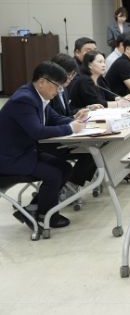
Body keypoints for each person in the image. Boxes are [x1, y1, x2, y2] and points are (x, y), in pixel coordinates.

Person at [0, 61, 87, 228]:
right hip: (10, 158)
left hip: (24, 152)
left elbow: (55, 118)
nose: (59, 91)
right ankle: (45, 216)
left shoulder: (37, 95)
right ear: (42, 82)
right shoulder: (24, 99)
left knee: (65, 168)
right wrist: (70, 128)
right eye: (57, 86)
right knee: (53, 174)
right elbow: (37, 132)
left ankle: (32, 210)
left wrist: (74, 120)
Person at [48, 54, 98, 190]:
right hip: (52, 141)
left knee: (98, 147)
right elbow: (51, 119)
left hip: (66, 135)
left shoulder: (63, 89)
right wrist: (71, 122)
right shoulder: (49, 91)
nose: (70, 79)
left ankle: (71, 185)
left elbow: (64, 114)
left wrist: (79, 113)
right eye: (68, 75)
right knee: (92, 151)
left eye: (73, 75)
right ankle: (70, 185)